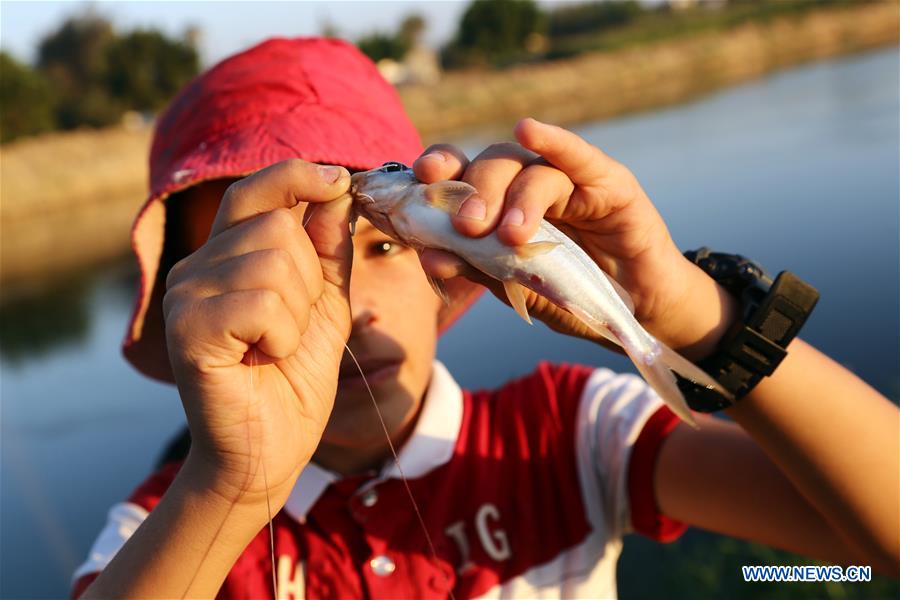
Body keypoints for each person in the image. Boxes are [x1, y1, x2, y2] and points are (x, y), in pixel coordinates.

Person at [73, 38, 898, 599]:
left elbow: (877, 547)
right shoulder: (168, 530)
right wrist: (232, 485)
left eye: (382, 247)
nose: (347, 311)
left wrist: (694, 316)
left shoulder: (568, 434)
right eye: (267, 271)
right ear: (195, 311)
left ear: (443, 255)